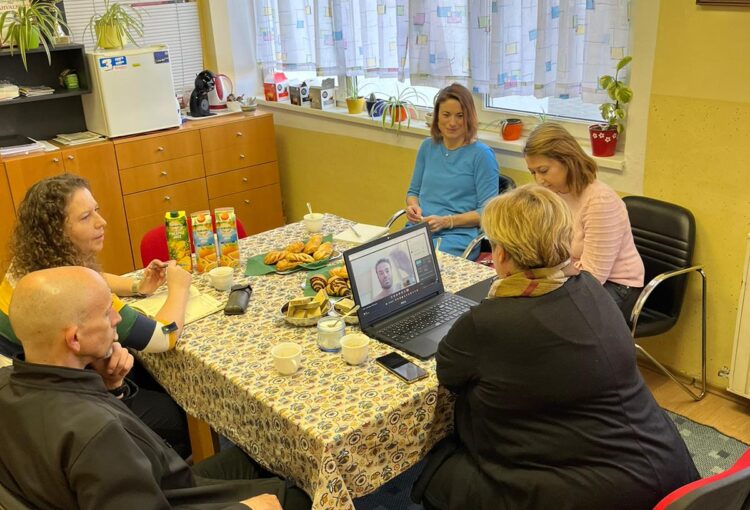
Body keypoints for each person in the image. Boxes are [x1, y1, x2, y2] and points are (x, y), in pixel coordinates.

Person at [412, 185, 699, 510]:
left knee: (441, 474)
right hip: (667, 468)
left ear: (500, 254)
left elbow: (449, 375)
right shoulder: (589, 287)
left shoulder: (488, 322)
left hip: (598, 493)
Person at [0, 266, 312, 510]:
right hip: (171, 498)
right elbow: (100, 445)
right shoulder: (94, 433)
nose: (117, 317)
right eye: (106, 312)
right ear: (75, 339)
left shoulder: (9, 386)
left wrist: (111, 389)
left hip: (163, 486)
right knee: (310, 496)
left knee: (257, 455)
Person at [0, 173, 192, 456]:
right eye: (86, 217)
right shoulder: (76, 296)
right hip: (62, 410)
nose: (101, 222)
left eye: (96, 210)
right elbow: (164, 336)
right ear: (56, 233)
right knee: (177, 411)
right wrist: (179, 288)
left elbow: (91, 276)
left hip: (27, 395)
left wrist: (136, 286)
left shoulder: (32, 266)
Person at [523, 122, 645, 319]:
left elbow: (594, 276)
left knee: (545, 318)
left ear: (567, 160)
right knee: (520, 307)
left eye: (543, 170)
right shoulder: (553, 193)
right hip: (571, 275)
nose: (538, 180)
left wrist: (549, 277)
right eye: (533, 172)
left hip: (615, 286)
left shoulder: (600, 201)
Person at [405, 83, 499, 259]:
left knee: (423, 263)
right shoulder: (427, 147)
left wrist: (446, 221)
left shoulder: (482, 155)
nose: (452, 122)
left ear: (469, 117)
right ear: (437, 117)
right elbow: (413, 193)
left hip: (458, 236)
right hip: (420, 229)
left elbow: (487, 212)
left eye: (460, 116)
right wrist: (413, 207)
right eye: (446, 115)